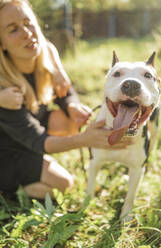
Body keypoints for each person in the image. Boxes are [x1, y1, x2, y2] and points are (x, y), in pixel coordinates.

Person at [0, 0, 130, 199]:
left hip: (26, 137)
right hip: (6, 152)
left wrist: (72, 106)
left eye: (28, 22)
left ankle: (35, 170)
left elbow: (65, 93)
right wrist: (83, 140)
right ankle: (7, 190)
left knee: (71, 121)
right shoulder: (5, 91)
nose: (27, 32)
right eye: (13, 30)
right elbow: (39, 141)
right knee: (64, 184)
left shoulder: (44, 56)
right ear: (2, 43)